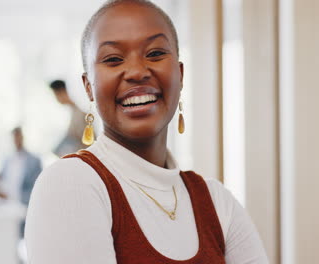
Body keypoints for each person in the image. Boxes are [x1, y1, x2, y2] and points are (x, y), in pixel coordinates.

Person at [26, 0, 268, 263]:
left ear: (180, 73)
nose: (137, 72)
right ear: (88, 87)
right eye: (113, 59)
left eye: (155, 54)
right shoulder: (70, 183)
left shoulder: (217, 201)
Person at [0, 127, 42, 207]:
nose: (16, 140)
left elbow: (37, 189)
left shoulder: (34, 161)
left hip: (24, 205)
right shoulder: (7, 160)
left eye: (18, 137)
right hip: (6, 204)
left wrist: (13, 197)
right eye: (14, 138)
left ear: (22, 137)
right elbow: (2, 182)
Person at [49, 80, 87, 157]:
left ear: (61, 92)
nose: (56, 99)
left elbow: (86, 142)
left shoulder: (80, 114)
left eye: (55, 95)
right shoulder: (71, 112)